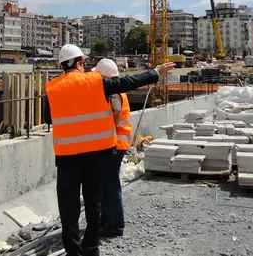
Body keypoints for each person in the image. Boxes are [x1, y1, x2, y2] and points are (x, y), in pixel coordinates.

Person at [43, 44, 174, 256]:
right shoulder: (95, 81)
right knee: (94, 205)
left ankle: (73, 252)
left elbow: (49, 118)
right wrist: (156, 73)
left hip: (67, 159)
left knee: (68, 209)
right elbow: (127, 82)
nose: (85, 67)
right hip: (96, 156)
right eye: (84, 63)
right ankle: (91, 249)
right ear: (78, 63)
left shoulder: (52, 88)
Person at [90, 59, 130, 238]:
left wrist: (107, 133)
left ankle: (114, 225)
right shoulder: (116, 89)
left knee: (111, 186)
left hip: (114, 144)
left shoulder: (113, 92)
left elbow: (115, 111)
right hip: (116, 143)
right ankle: (106, 221)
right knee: (107, 185)